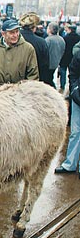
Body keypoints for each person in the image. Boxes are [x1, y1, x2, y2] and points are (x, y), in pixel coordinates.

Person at [0, 18, 39, 88]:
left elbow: (33, 76)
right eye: (11, 32)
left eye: (17, 32)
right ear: (3, 34)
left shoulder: (28, 49)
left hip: (19, 94)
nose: (15, 35)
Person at [55, 47, 80, 177]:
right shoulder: (78, 54)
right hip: (78, 99)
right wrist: (75, 90)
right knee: (75, 133)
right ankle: (70, 163)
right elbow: (73, 73)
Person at [19, 12, 49, 85]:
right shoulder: (41, 42)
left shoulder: (14, 39)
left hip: (14, 83)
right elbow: (45, 65)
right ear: (34, 27)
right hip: (34, 83)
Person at [59, 24, 80, 92]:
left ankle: (62, 86)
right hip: (74, 58)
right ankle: (72, 87)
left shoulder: (65, 38)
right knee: (72, 73)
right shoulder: (78, 37)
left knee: (63, 72)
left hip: (65, 57)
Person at [45, 22, 65, 87]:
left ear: (50, 29)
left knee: (48, 80)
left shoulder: (48, 40)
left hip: (48, 64)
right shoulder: (61, 39)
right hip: (56, 63)